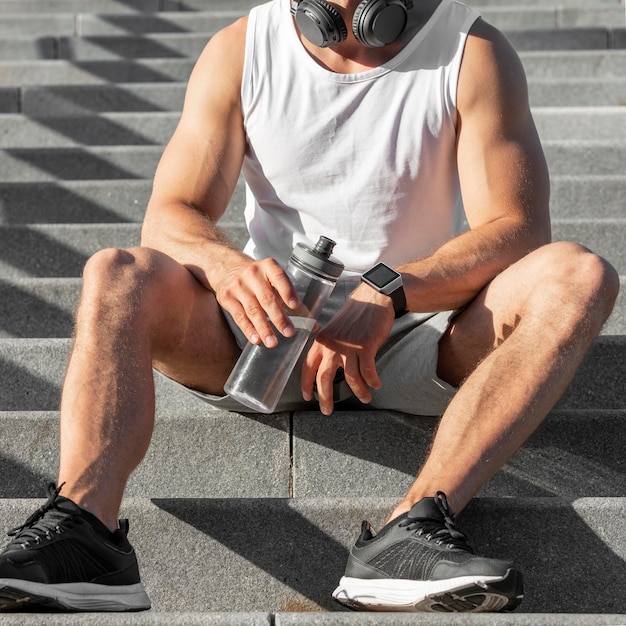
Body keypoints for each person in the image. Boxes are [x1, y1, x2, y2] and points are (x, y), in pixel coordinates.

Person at [0, 0, 619, 614]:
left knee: (577, 273)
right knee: (117, 271)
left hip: (413, 327)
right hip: (263, 333)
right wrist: (229, 270)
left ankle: (413, 531)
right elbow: (171, 213)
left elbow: (516, 226)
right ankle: (85, 535)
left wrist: (386, 289)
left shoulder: (471, 50)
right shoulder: (241, 48)